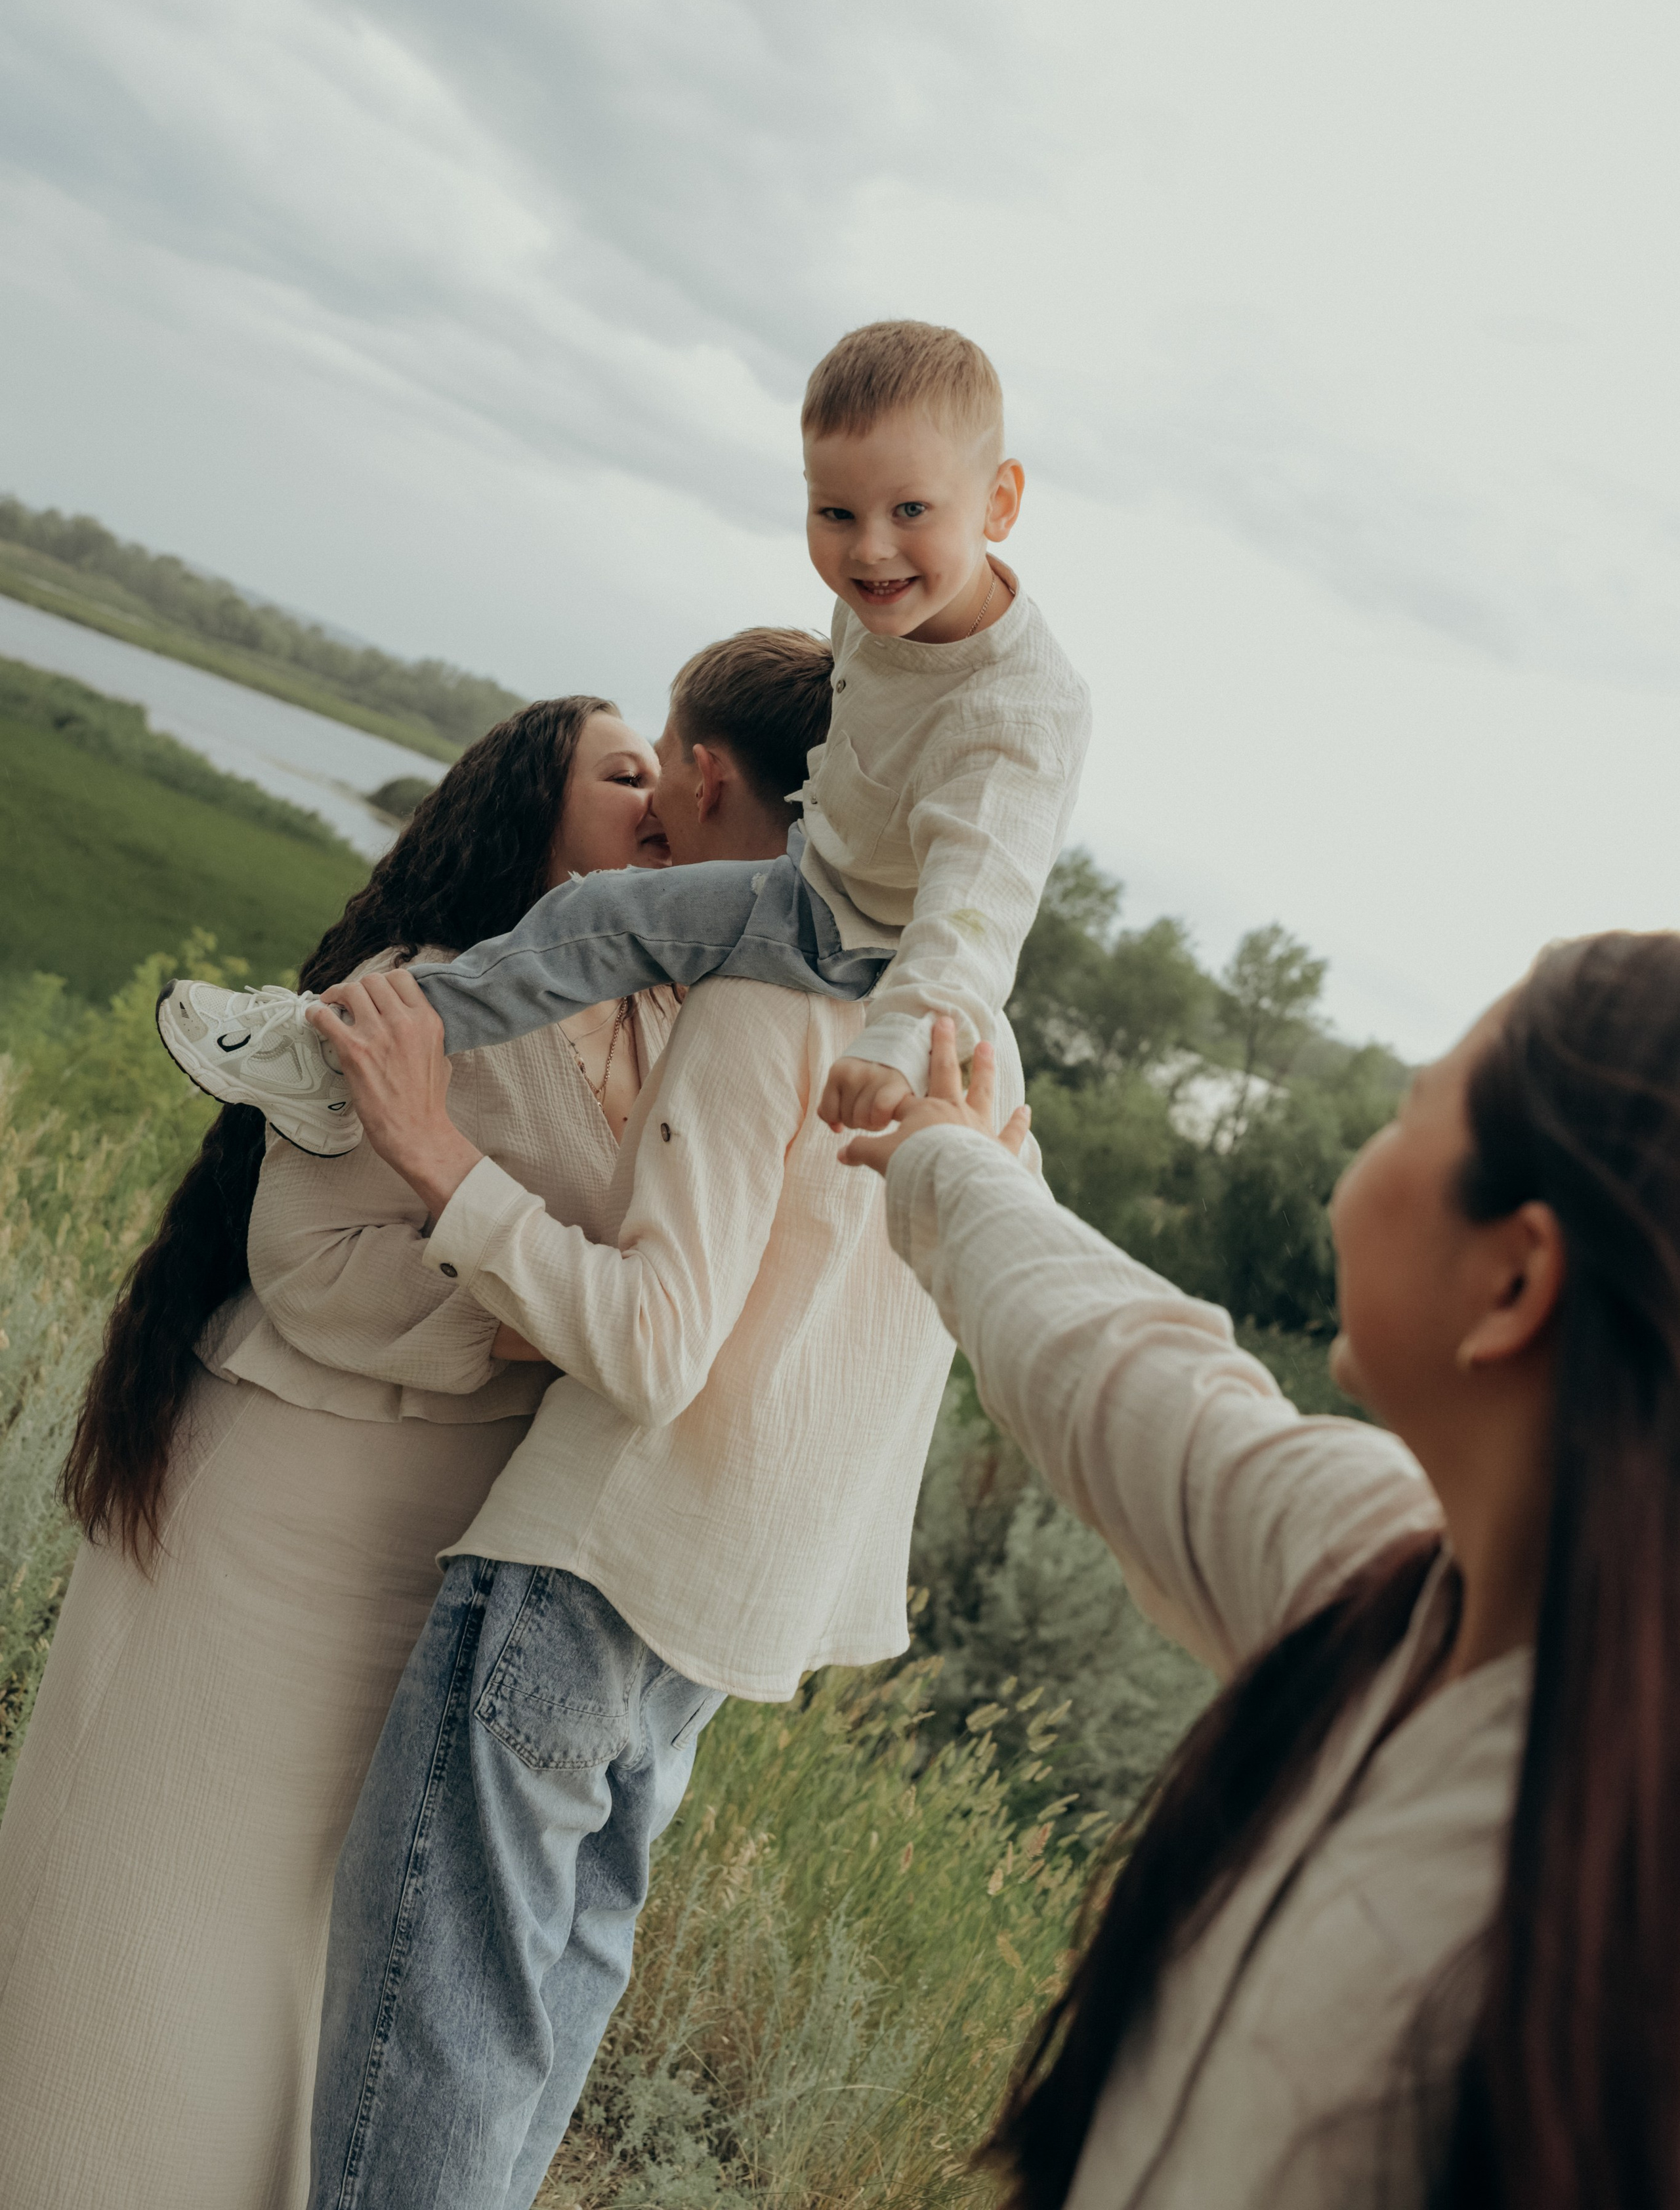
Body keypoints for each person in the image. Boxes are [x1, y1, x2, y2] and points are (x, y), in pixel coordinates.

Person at [295, 625, 1028, 2210]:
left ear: (704, 776)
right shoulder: (964, 1034)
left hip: (594, 1564)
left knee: (430, 2041)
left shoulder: (764, 995)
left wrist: (433, 1154)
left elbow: (652, 1347)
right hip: (727, 1616)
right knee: (536, 2025)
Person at [0, 690, 721, 2210]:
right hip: (282, 1511)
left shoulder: (671, 1025)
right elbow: (311, 1262)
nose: (657, 795)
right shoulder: (422, 990)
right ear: (533, 810)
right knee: (165, 1884)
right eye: (621, 773)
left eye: (666, 772)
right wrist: (554, 1325)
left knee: (316, 1923)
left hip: (440, 1544)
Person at [843, 947, 1680, 2210]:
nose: (1369, 1153)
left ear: (1514, 1280)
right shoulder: (1391, 1577)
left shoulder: (1599, 1926)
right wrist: (955, 1164)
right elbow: (1125, 1371)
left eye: (1412, 1102)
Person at [156, 317, 1091, 1150]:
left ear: (1000, 502)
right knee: (608, 913)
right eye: (835, 513)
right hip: (825, 864)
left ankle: (335, 1054)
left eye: (910, 511)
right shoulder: (885, 601)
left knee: (601, 921)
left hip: (856, 934)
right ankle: (344, 1038)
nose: (870, 549)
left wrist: (901, 1038)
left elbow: (976, 910)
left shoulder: (1015, 718)